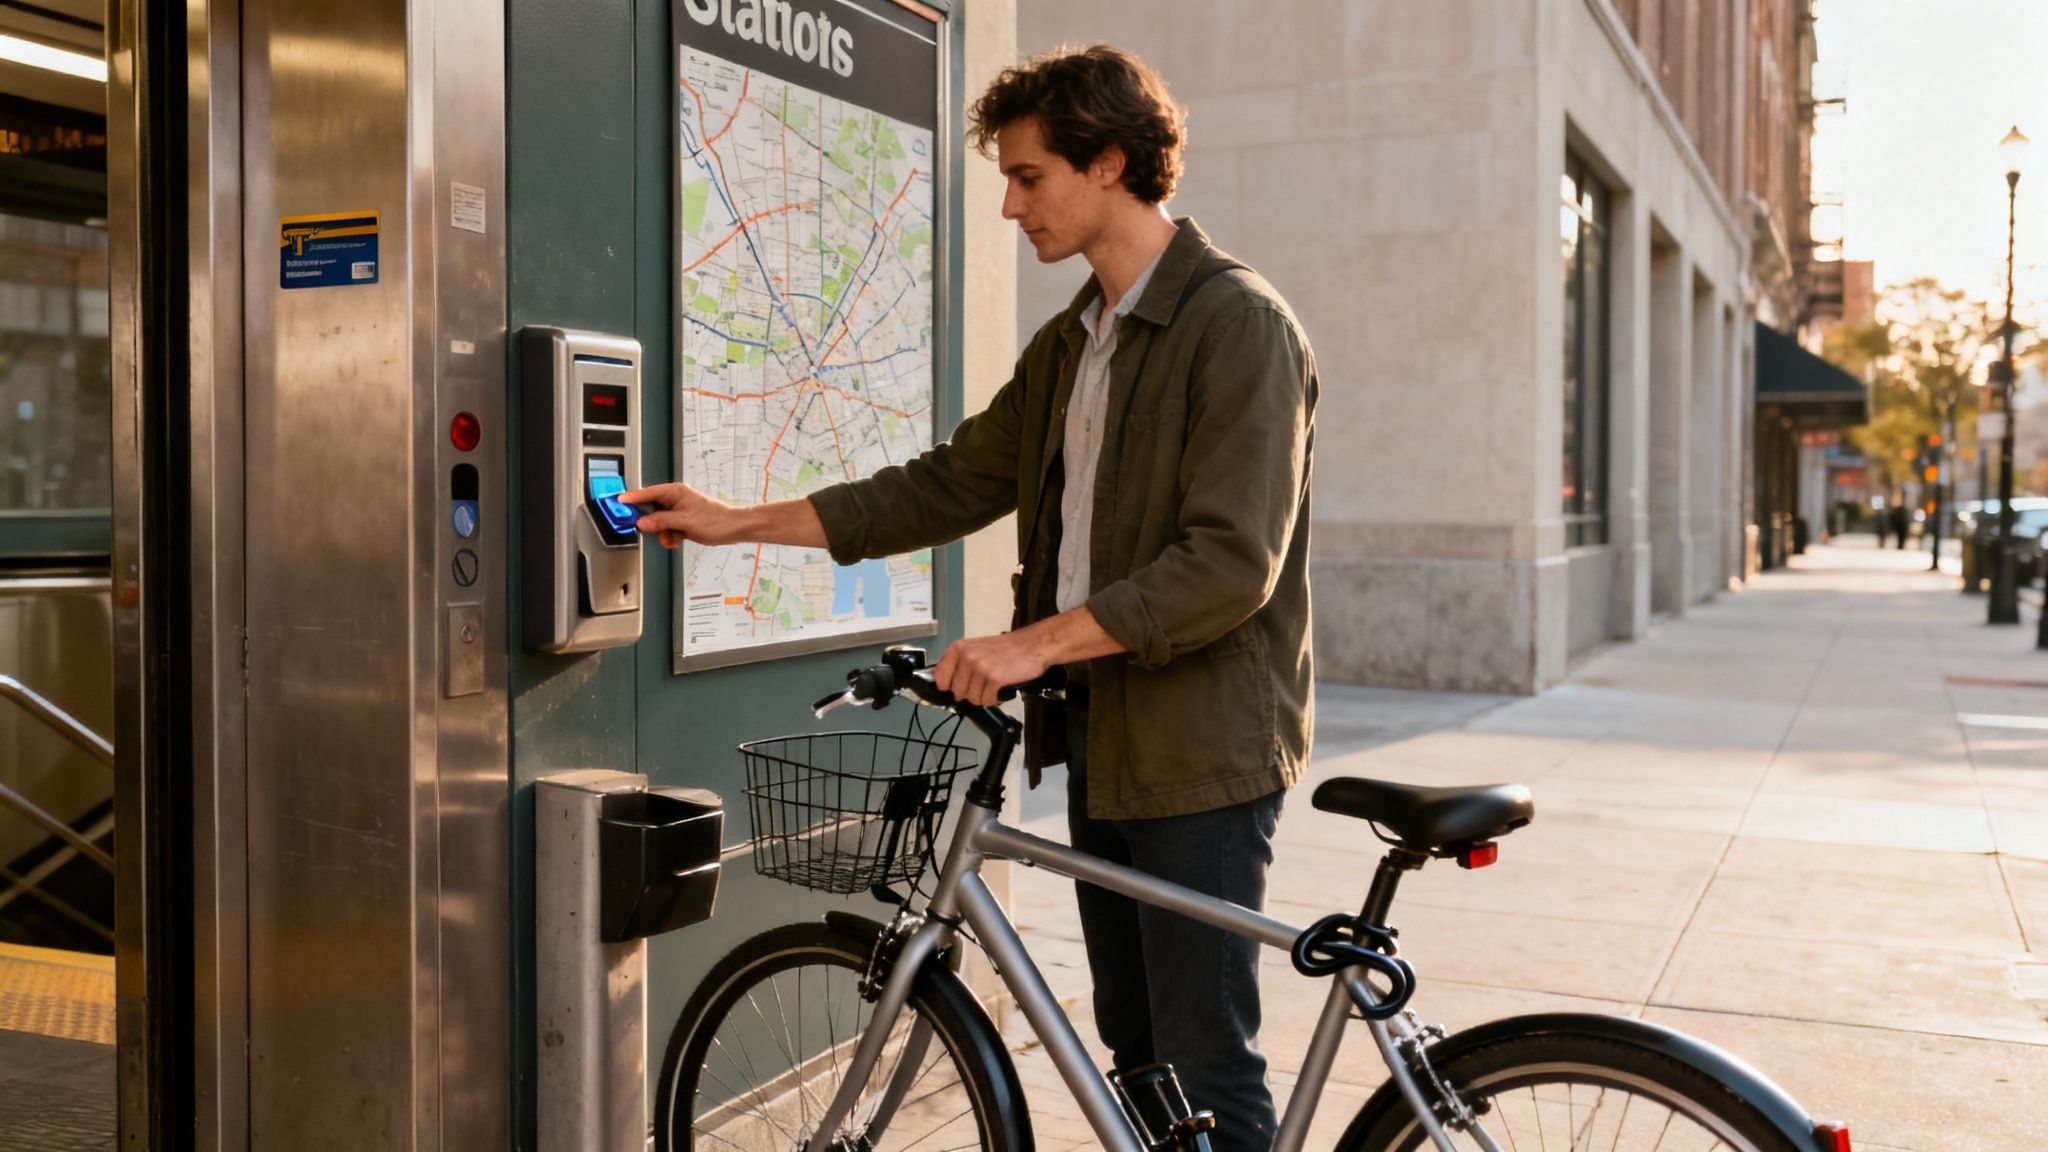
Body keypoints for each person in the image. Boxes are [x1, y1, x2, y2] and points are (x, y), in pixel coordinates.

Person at [624, 45, 1317, 1152]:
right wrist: (733, 523)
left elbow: (1231, 564)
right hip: (1102, 738)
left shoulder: (1235, 325)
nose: (1007, 205)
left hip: (1201, 754)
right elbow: (944, 484)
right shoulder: (1071, 342)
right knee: (1134, 1051)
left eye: (1028, 176)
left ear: (1107, 163)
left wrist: (1030, 644)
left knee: (1204, 1063)